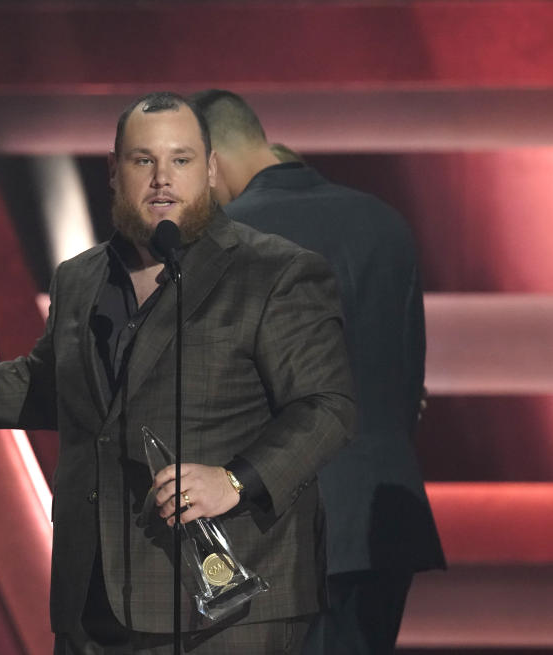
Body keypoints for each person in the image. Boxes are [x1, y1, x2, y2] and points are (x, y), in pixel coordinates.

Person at [0, 92, 355, 653]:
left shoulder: (274, 271)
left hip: (228, 604)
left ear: (212, 168)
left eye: (182, 159)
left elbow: (327, 407)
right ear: (114, 171)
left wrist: (235, 480)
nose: (162, 179)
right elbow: (51, 388)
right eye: (143, 160)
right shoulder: (80, 278)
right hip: (92, 601)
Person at [192, 89, 445, 654]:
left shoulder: (225, 241)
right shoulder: (385, 222)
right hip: (385, 522)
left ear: (211, 161)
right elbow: (409, 388)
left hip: (278, 531)